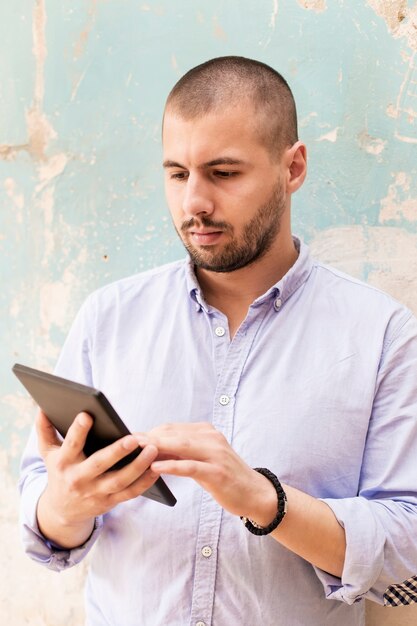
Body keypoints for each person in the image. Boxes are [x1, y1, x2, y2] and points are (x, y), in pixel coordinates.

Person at [19, 56, 417, 626]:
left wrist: (267, 502)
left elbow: (408, 553)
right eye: (178, 174)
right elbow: (43, 509)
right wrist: (64, 505)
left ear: (293, 168)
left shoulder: (381, 334)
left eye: (223, 173)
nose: (193, 204)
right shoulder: (107, 318)